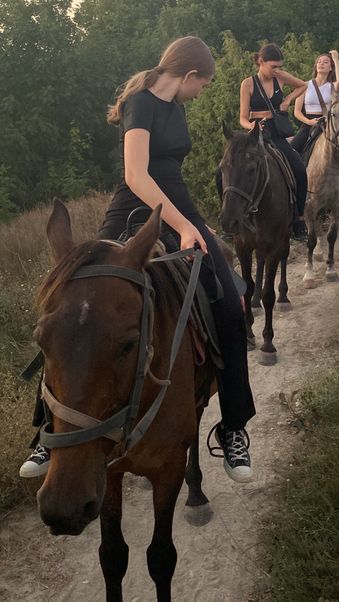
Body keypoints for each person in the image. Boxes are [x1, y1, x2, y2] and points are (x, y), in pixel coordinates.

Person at [20, 36, 255, 483]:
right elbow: (135, 174)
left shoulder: (175, 106)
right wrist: (182, 227)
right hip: (134, 205)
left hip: (179, 204)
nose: (201, 92)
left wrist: (187, 221)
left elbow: (168, 173)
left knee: (227, 301)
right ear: (189, 74)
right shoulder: (140, 105)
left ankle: (233, 427)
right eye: (202, 84)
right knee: (74, 303)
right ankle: (47, 430)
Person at [239, 43, 309, 240]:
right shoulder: (248, 84)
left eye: (279, 66)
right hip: (255, 132)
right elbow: (243, 117)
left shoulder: (280, 77)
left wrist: (287, 100)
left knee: (299, 170)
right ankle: (233, 219)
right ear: (260, 62)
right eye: (273, 66)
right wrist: (251, 126)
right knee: (227, 171)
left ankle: (299, 218)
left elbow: (304, 85)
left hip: (276, 132)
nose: (277, 70)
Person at [292, 51, 339, 206]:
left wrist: (336, 58)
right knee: (292, 150)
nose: (321, 63)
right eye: (319, 61)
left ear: (330, 67)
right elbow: (296, 111)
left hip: (329, 124)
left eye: (325, 62)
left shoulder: (332, 87)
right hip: (309, 124)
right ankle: (296, 188)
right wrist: (309, 121)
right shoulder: (304, 85)